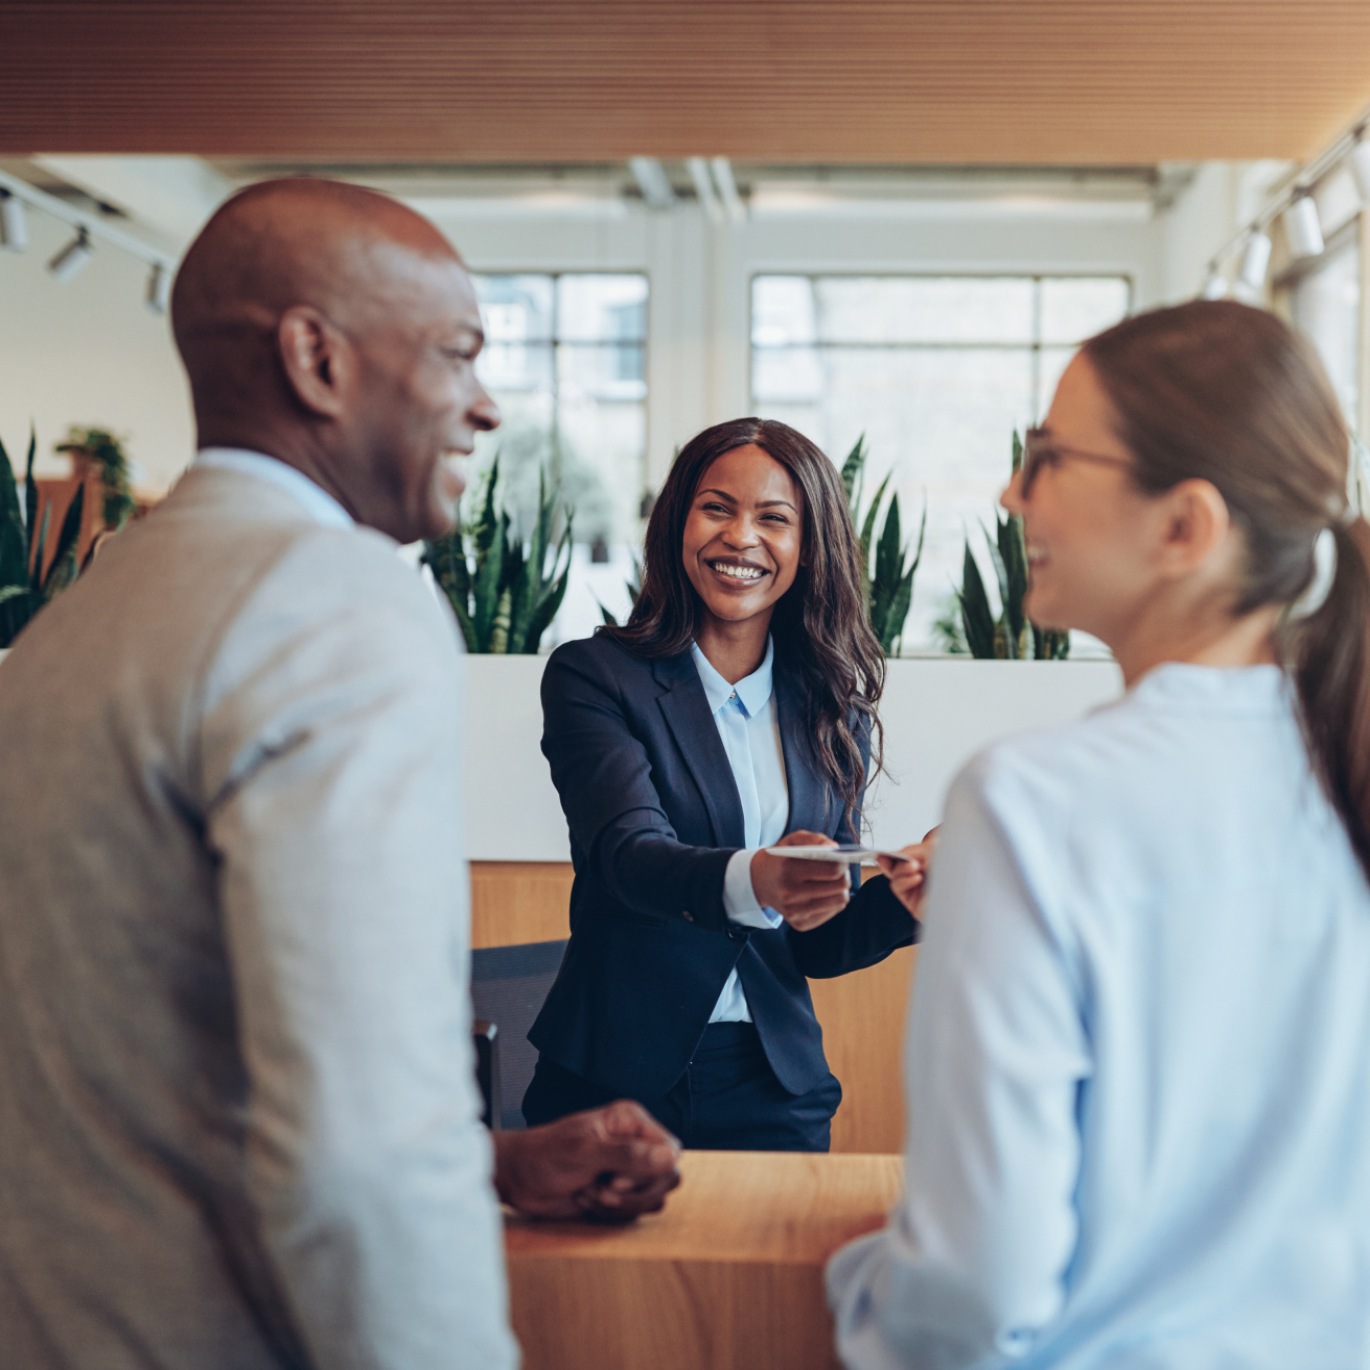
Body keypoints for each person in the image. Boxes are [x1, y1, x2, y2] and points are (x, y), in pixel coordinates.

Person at [0, 178, 680, 1370]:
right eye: (457, 352)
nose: (484, 404)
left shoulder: (78, 618)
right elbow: (365, 1140)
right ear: (316, 359)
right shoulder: (339, 604)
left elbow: (145, 1054)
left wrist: (499, 1160)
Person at [827, 300, 1370, 1367]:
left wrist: (859, 1282)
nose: (1009, 493)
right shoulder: (1338, 765)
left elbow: (968, 1287)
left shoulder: (1030, 802)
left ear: (1183, 528)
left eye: (1047, 458)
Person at [523, 417, 932, 1152]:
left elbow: (815, 942)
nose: (740, 537)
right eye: (717, 508)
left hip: (776, 1087)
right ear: (678, 524)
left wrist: (902, 905)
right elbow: (628, 855)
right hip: (611, 1085)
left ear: (808, 550)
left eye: (774, 518)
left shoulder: (832, 711)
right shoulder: (596, 676)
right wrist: (761, 877)